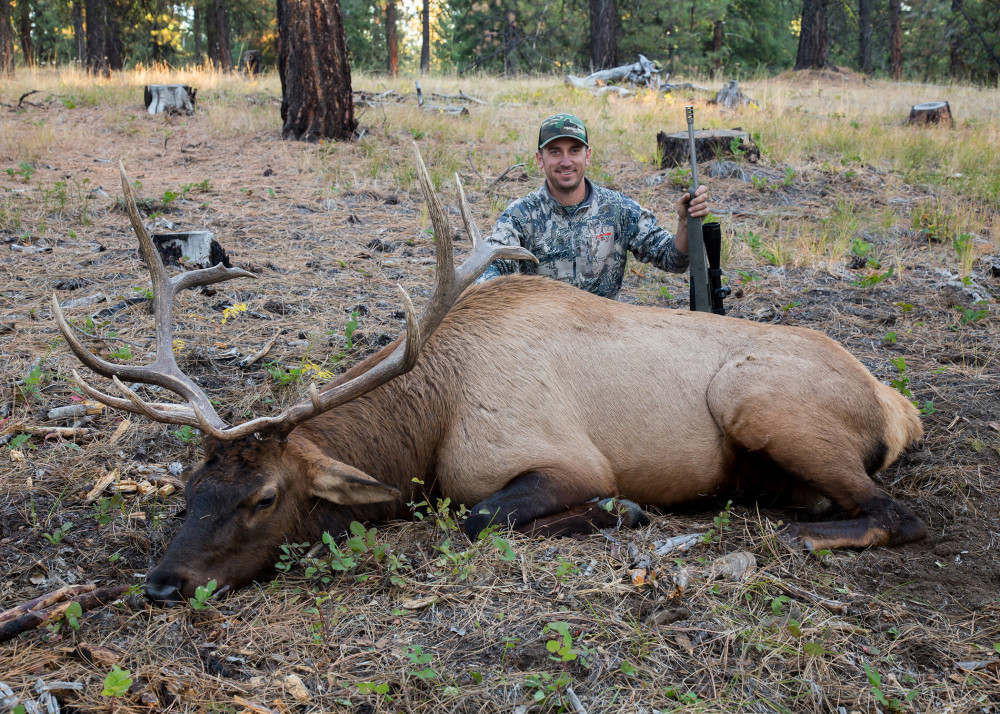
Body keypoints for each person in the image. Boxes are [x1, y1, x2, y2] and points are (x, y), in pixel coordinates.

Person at [478, 113, 710, 300]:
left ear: (587, 156)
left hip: (604, 336)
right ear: (540, 159)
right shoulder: (521, 215)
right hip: (545, 339)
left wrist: (685, 224)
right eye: (555, 152)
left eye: (574, 151)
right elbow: (488, 271)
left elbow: (671, 259)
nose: (566, 161)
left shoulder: (618, 208)